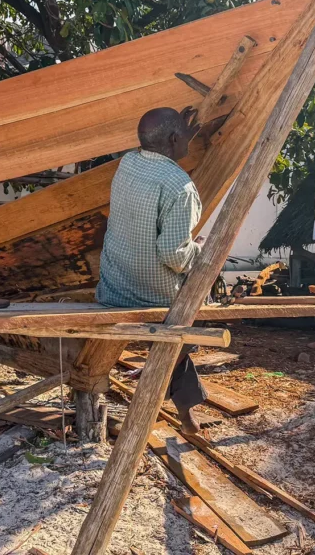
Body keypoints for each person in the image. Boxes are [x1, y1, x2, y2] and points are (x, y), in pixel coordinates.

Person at [96, 106, 208, 433]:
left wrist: (181, 131)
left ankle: (187, 416)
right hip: (151, 296)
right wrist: (202, 251)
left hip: (113, 286)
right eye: (185, 135)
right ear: (174, 138)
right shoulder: (180, 187)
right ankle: (167, 407)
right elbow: (173, 255)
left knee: (179, 343)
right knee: (185, 329)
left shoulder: (127, 163)